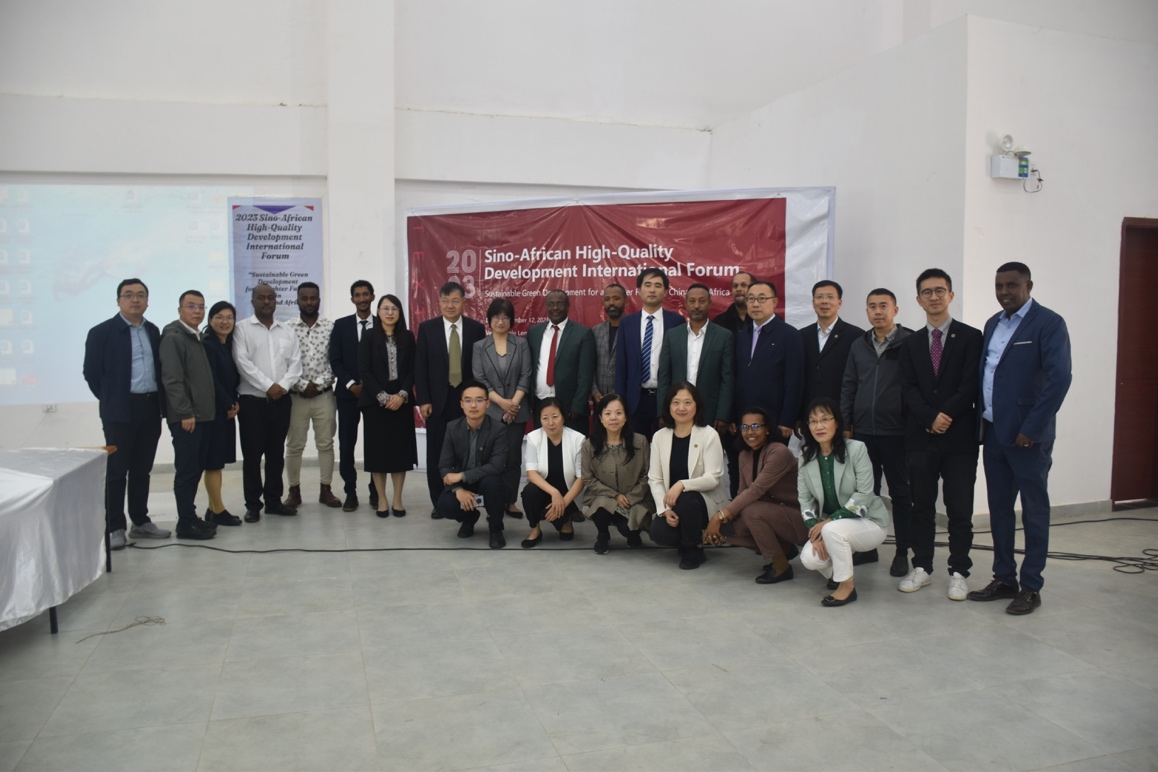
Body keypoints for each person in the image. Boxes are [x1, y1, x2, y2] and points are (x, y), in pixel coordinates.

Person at [969, 262, 1072, 615]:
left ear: (1029, 285)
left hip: (1028, 438)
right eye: (999, 286)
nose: (1004, 292)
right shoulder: (992, 324)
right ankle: (1004, 578)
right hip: (994, 433)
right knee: (999, 510)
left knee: (1033, 511)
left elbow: (1060, 379)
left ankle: (1031, 586)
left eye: (1012, 285)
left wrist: (1032, 428)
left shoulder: (1049, 323)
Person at [897, 269, 983, 601]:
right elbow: (908, 388)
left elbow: (970, 384)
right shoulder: (910, 343)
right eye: (927, 292)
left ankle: (959, 571)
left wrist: (945, 415)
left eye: (939, 290)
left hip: (959, 438)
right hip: (921, 437)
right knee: (922, 506)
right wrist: (930, 417)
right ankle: (922, 566)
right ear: (918, 299)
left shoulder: (971, 337)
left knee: (959, 509)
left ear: (950, 295)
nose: (934, 297)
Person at [83, 278, 171, 549]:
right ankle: (115, 527)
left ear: (147, 301)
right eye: (129, 295)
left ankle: (141, 521)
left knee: (142, 469)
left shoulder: (153, 331)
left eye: (141, 295)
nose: (135, 299)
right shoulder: (101, 332)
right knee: (116, 471)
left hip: (150, 406)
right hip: (120, 410)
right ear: (118, 300)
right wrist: (111, 399)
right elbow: (92, 373)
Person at [840, 288, 912, 577]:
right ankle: (867, 547)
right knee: (865, 493)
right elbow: (849, 385)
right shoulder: (858, 345)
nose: (878, 311)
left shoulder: (909, 343)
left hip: (896, 433)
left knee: (900, 494)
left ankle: (902, 552)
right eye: (872, 306)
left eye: (884, 306)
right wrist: (846, 424)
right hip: (863, 433)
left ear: (895, 310)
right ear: (867, 311)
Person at [797, 397, 890, 606]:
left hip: (869, 521)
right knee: (810, 559)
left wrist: (828, 522)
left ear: (837, 422)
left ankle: (847, 587)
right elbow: (805, 499)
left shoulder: (857, 449)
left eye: (825, 419)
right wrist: (815, 531)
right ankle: (837, 572)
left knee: (832, 530)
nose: (819, 426)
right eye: (813, 421)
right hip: (831, 527)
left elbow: (865, 493)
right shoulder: (805, 456)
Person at [704, 407, 806, 584]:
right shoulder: (745, 455)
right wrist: (722, 523)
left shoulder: (779, 452)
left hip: (797, 518)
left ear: (767, 429)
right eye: (745, 427)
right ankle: (784, 548)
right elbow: (742, 492)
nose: (749, 432)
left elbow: (755, 490)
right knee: (728, 531)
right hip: (769, 514)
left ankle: (781, 566)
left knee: (751, 511)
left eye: (756, 426)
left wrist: (719, 516)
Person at [415, 281, 487, 517]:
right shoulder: (427, 329)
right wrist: (423, 400)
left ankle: (466, 497)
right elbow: (420, 367)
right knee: (437, 452)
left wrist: (477, 400)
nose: (450, 305)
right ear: (439, 303)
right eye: (445, 301)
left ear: (464, 302)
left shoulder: (476, 329)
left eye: (455, 301)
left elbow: (478, 368)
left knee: (466, 451)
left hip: (467, 402)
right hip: (437, 402)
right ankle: (439, 501)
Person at [232, 283, 302, 522]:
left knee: (276, 453)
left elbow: (296, 365)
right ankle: (253, 505)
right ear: (252, 301)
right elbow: (242, 363)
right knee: (252, 456)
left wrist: (281, 387)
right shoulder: (241, 329)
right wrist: (268, 386)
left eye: (270, 297)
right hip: (252, 403)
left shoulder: (287, 331)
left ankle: (273, 501)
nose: (266, 302)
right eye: (261, 298)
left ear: (276, 300)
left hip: (281, 401)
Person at [648, 382, 728, 570]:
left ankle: (693, 549)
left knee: (687, 499)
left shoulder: (709, 434)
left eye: (687, 402)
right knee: (659, 534)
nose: (681, 408)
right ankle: (687, 538)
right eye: (676, 402)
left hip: (704, 502)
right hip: (673, 502)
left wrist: (682, 484)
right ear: (669, 406)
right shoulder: (660, 437)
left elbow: (713, 478)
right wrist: (664, 510)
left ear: (696, 406)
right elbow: (655, 479)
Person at [159, 290, 216, 540]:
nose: (197, 311)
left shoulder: (196, 337)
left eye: (201, 306)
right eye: (191, 306)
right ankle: (185, 523)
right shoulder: (173, 338)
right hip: (187, 418)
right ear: (180, 310)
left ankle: (190, 517)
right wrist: (184, 412)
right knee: (186, 471)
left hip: (201, 416)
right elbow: (172, 380)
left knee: (194, 469)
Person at [472, 297, 532, 518]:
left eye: (505, 317)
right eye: (496, 317)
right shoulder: (479, 347)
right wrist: (502, 403)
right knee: (490, 459)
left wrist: (513, 404)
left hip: (516, 410)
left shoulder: (521, 344)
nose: (500, 321)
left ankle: (511, 501)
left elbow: (525, 376)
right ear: (489, 319)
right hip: (490, 411)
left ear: (511, 320)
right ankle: (492, 502)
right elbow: (480, 380)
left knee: (513, 459)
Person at [358, 294, 417, 517]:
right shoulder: (369, 336)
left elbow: (413, 369)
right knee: (378, 454)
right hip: (375, 404)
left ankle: (397, 499)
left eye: (394, 308)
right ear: (378, 311)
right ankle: (382, 499)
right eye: (385, 308)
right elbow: (364, 370)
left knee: (400, 453)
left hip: (401, 402)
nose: (390, 312)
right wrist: (382, 397)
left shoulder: (407, 337)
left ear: (400, 312)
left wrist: (401, 395)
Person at [284, 282, 340, 509]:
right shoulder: (287, 328)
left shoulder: (331, 327)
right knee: (294, 445)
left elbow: (336, 360)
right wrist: (301, 385)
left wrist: (317, 385)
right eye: (304, 298)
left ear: (319, 300)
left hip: (324, 396)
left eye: (313, 298)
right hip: (295, 397)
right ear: (297, 300)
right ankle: (294, 491)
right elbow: (283, 363)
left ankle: (326, 490)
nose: (309, 302)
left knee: (325, 444)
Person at [436, 380, 509, 548]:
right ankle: (469, 518)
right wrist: (458, 489)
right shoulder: (452, 427)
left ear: (487, 403)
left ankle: (496, 529)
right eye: (468, 400)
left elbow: (496, 466)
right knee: (445, 505)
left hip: (488, 481)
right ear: (462, 404)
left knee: (494, 484)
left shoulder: (499, 429)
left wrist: (462, 476)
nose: (473, 405)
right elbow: (444, 465)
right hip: (463, 484)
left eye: (479, 400)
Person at [734, 280, 803, 447]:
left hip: (774, 420)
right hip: (745, 420)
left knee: (772, 462)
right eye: (751, 299)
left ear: (775, 302)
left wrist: (787, 419)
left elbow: (795, 382)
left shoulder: (789, 335)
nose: (755, 304)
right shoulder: (741, 335)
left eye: (762, 298)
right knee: (744, 462)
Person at [615, 267, 684, 437]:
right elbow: (621, 365)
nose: (652, 290)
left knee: (667, 445)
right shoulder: (627, 323)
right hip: (635, 399)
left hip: (667, 398)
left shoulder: (677, 321)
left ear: (665, 291)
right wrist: (621, 401)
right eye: (647, 285)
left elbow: (679, 363)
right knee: (637, 447)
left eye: (657, 285)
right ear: (639, 290)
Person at [658, 283, 734, 433]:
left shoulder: (724, 336)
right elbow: (664, 377)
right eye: (692, 301)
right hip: (677, 410)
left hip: (710, 411)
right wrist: (662, 411)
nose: (697, 306)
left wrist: (723, 415)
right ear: (686, 303)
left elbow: (727, 379)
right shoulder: (672, 335)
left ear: (710, 303)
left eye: (702, 301)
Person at [582, 393, 653, 553]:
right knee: (601, 509)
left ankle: (633, 533)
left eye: (619, 413)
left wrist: (630, 498)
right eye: (608, 413)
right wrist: (614, 496)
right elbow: (588, 478)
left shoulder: (640, 441)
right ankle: (602, 535)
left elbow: (647, 475)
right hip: (604, 497)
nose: (613, 418)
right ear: (600, 418)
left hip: (634, 499)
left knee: (627, 529)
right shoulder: (589, 445)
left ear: (626, 417)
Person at [329, 279, 377, 511]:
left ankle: (376, 491)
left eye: (365, 294)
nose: (362, 299)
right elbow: (335, 360)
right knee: (347, 444)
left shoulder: (382, 324)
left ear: (372, 297)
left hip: (375, 395)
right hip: (348, 395)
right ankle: (350, 491)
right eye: (357, 295)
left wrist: (372, 387)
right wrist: (350, 385)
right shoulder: (341, 325)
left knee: (375, 444)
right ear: (352, 299)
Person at [527, 289, 595, 434]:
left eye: (560, 304)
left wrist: (577, 405)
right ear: (546, 306)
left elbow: (586, 375)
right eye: (551, 304)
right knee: (543, 446)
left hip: (570, 408)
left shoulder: (582, 333)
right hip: (540, 405)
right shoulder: (534, 332)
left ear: (568, 306)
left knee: (572, 448)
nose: (555, 308)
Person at [520, 398, 586, 548]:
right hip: (545, 491)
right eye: (545, 418)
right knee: (529, 492)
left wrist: (562, 503)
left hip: (568, 493)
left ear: (563, 417)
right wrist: (554, 493)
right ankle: (535, 530)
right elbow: (531, 474)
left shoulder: (578, 439)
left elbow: (581, 478)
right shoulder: (533, 437)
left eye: (555, 417)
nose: (550, 423)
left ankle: (566, 520)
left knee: (565, 532)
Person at [202, 300, 242, 527]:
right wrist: (228, 404)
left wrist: (233, 402)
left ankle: (212, 508)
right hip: (215, 412)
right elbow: (211, 380)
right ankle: (218, 510)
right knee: (213, 463)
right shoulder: (208, 345)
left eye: (229, 317)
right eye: (219, 317)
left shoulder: (227, 345)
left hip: (225, 410)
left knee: (217, 462)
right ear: (210, 320)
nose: (225, 322)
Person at [800, 280, 864, 417]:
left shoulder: (856, 336)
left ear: (839, 303)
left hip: (841, 413)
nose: (824, 301)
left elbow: (859, 380)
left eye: (830, 297)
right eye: (819, 297)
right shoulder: (801, 336)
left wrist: (850, 417)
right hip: (809, 413)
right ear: (813, 303)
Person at [590, 284, 626, 404]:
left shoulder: (634, 329)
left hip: (626, 399)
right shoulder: (596, 330)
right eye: (607, 299)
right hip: (599, 400)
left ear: (626, 301)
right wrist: (594, 391)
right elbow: (589, 365)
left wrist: (617, 392)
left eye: (616, 298)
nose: (611, 303)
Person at [711, 271, 754, 336]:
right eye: (735, 286)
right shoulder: (719, 322)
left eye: (743, 285)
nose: (738, 289)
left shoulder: (761, 319)